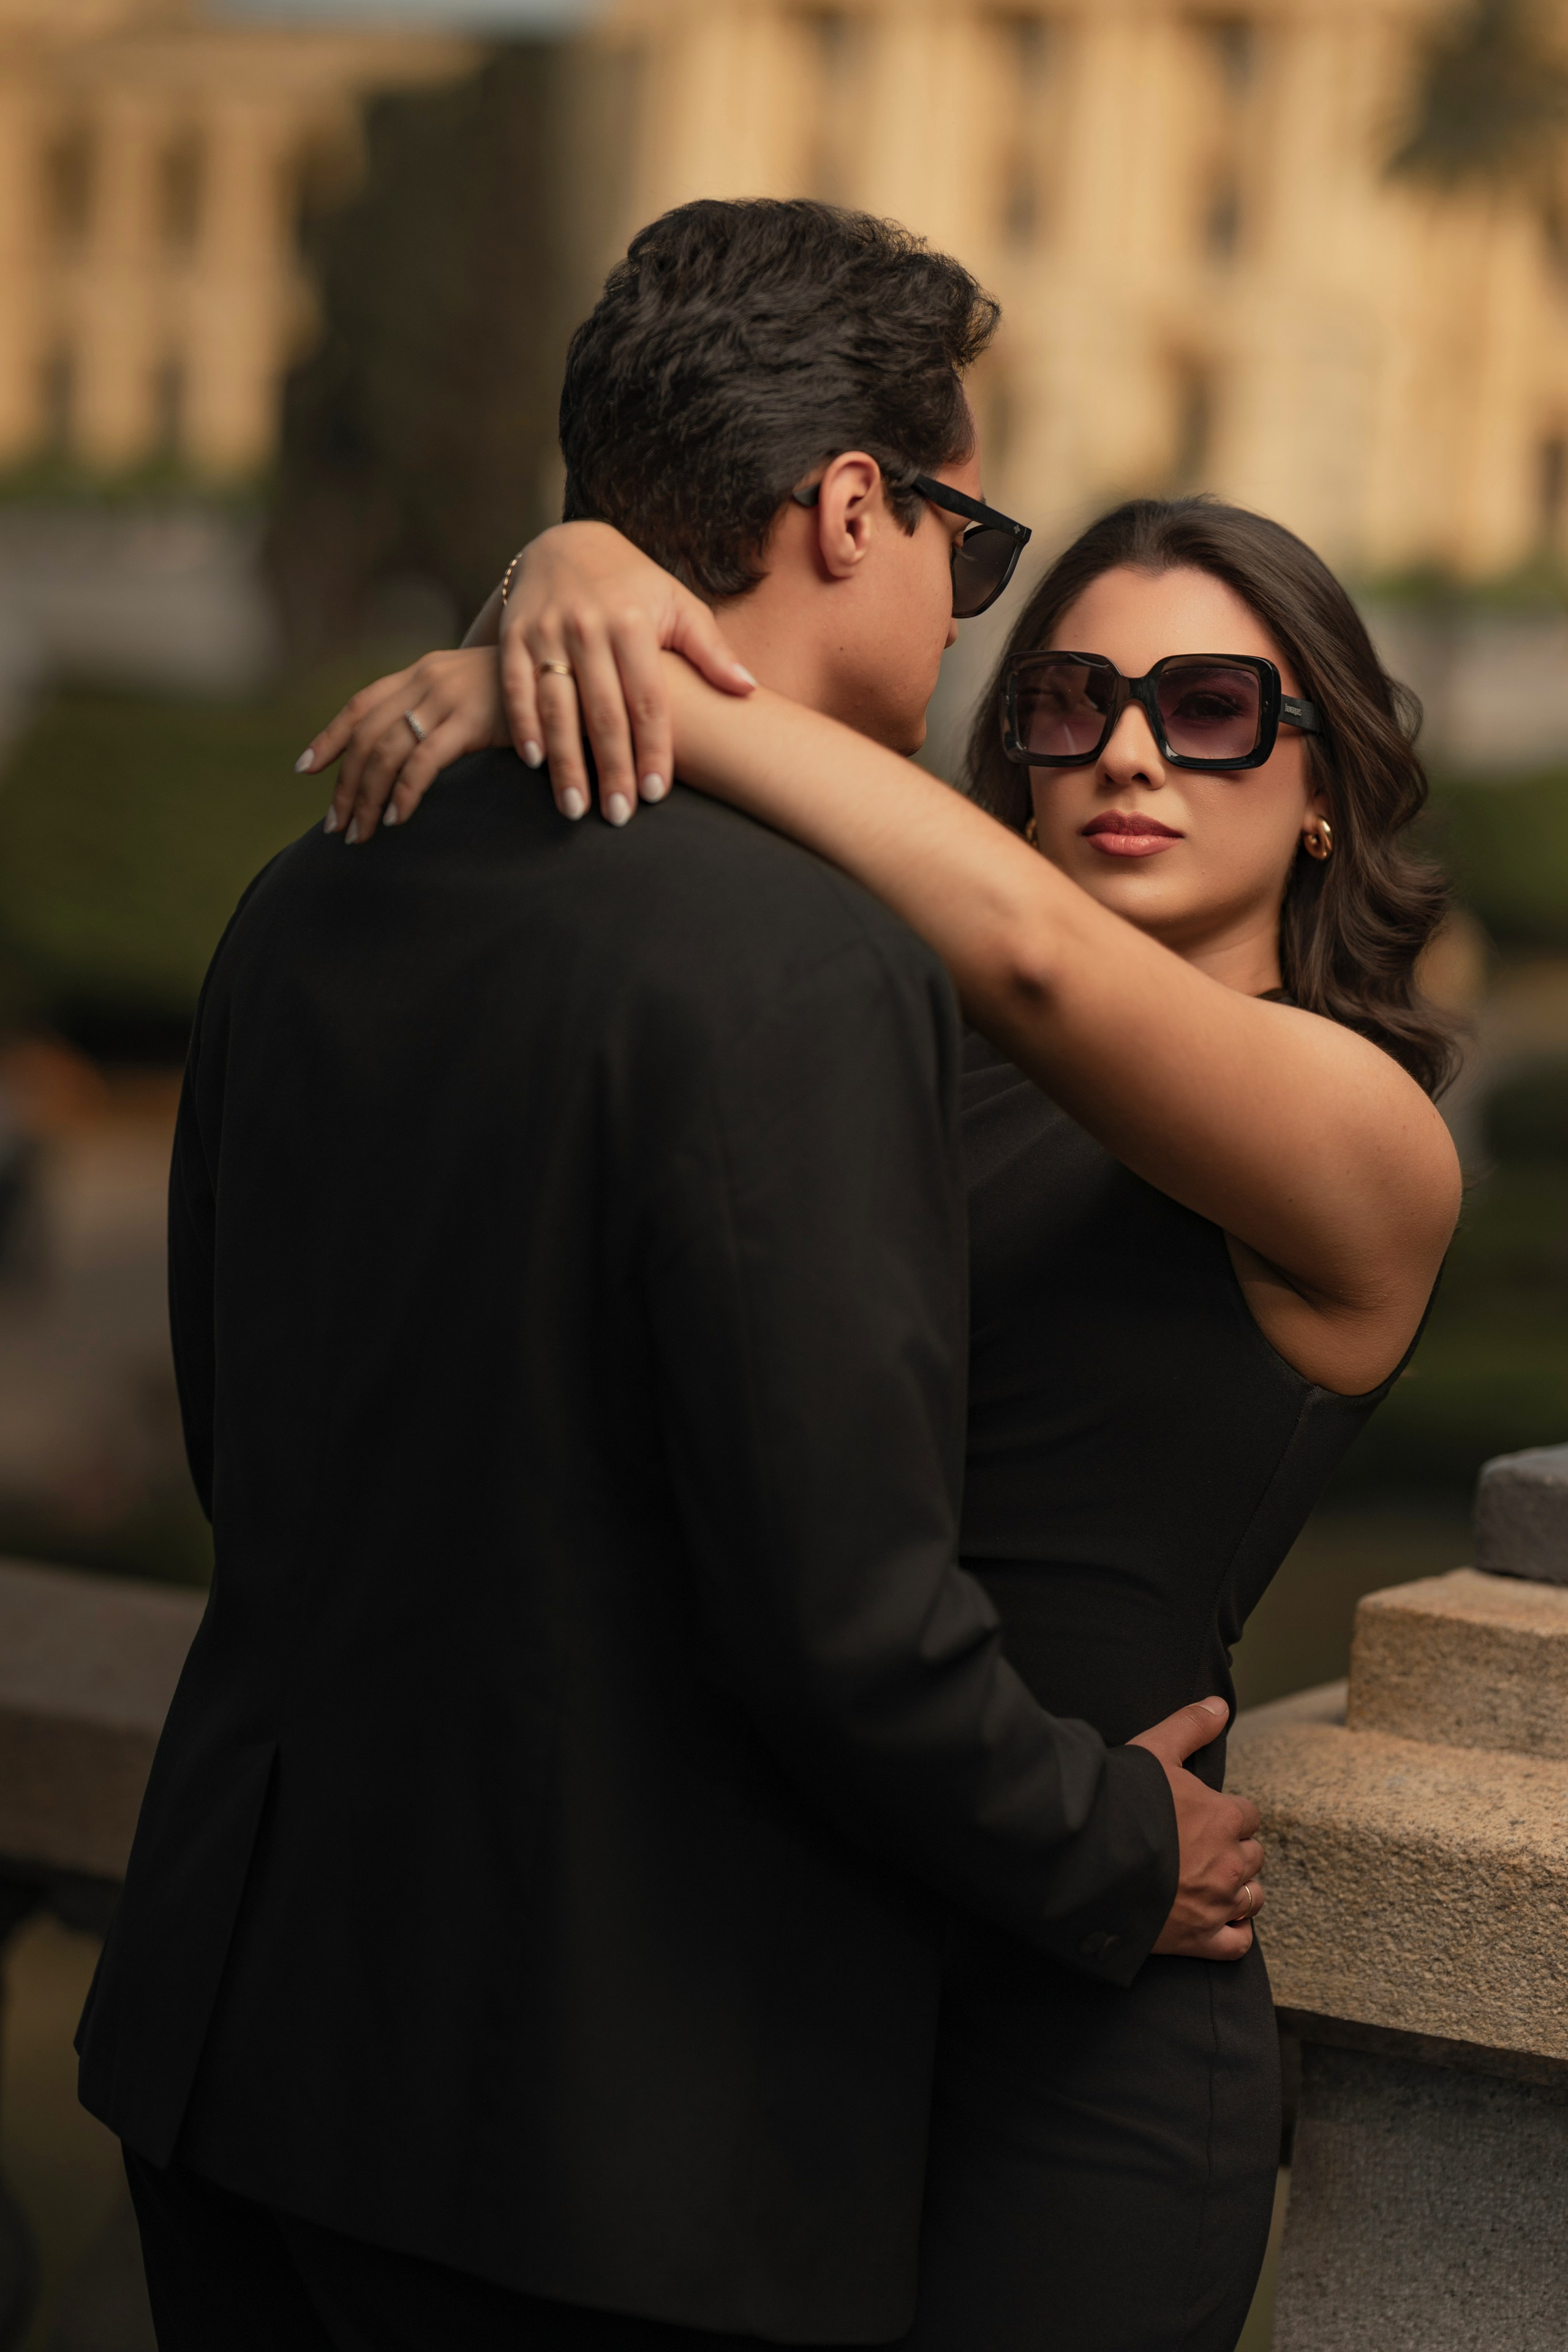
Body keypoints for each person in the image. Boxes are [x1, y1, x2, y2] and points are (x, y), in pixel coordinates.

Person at [77, 200, 1268, 2352]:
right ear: (847, 510)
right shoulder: (803, 965)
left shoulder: (309, 887)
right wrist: (1116, 1840)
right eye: (971, 553)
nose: (963, 627)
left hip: (232, 2057)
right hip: (589, 2161)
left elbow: (253, 1451)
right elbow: (852, 1630)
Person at [304, 478, 1463, 2345]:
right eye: (1067, 703)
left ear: (1324, 786)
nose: (1129, 753)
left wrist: (655, 668)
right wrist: (569, 569)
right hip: (765, 1976)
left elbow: (1033, 954)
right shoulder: (876, 1026)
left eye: (1215, 708)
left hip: (1079, 2023)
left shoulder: (1365, 1133)